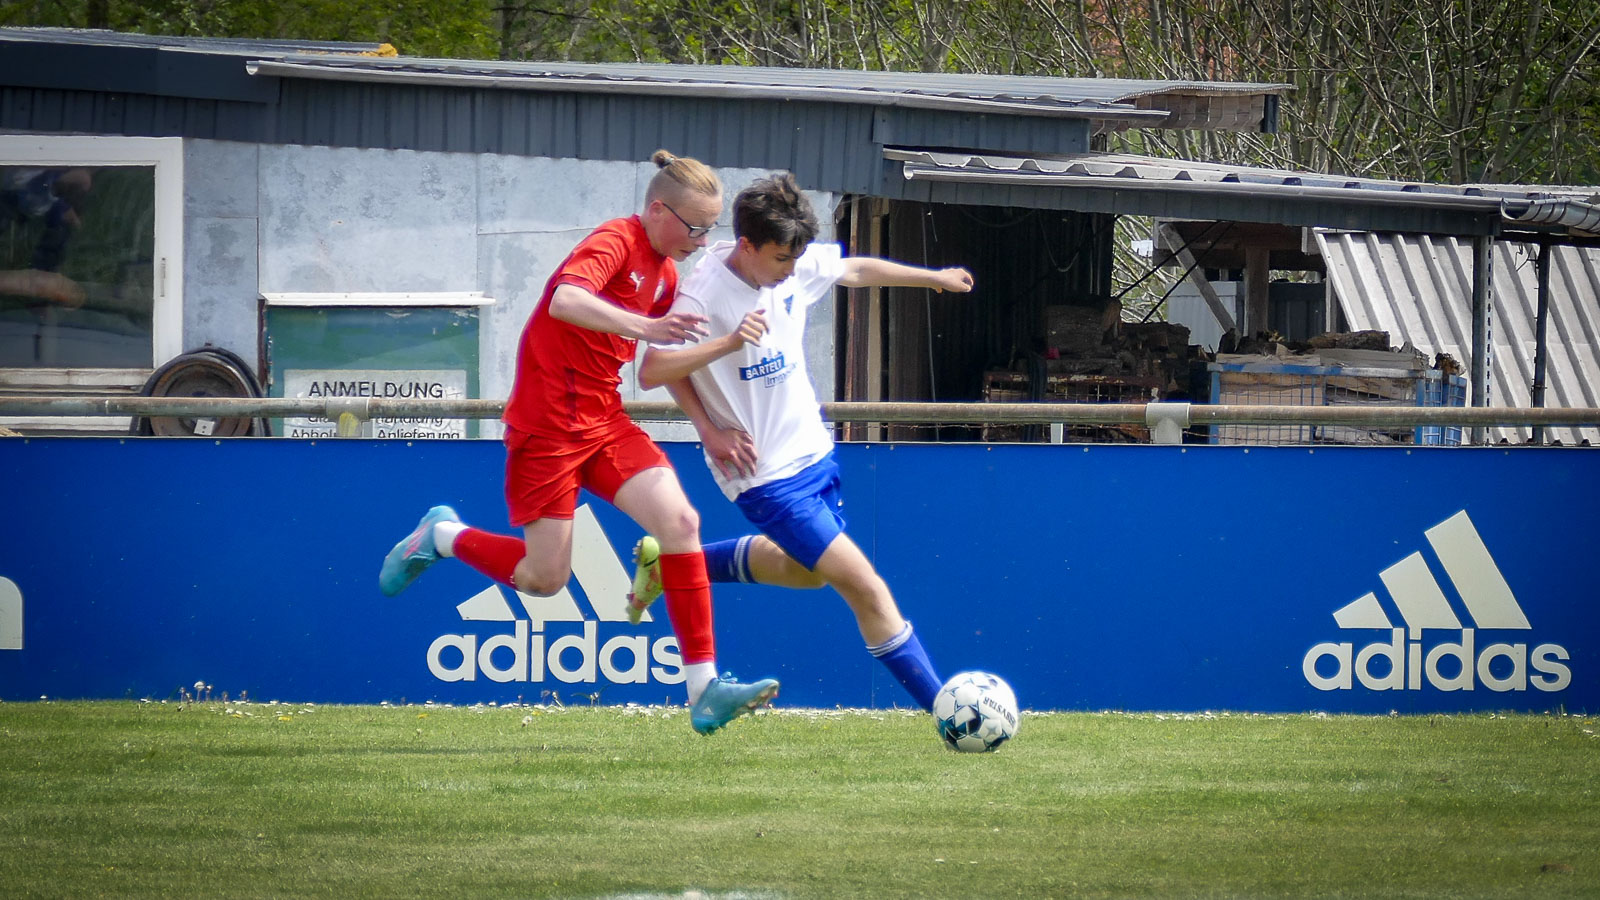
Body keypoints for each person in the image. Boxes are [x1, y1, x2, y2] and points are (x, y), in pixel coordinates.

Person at [379, 150, 779, 734]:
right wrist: (645, 326)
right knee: (546, 581)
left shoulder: (666, 275)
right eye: (694, 225)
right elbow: (565, 300)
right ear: (656, 210)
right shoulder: (615, 239)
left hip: (604, 422)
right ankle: (441, 536)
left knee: (681, 525)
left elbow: (661, 366)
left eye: (710, 228)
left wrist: (710, 428)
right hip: (546, 427)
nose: (700, 238)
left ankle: (704, 690)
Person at [631, 172, 974, 711]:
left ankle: (671, 564)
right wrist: (708, 425)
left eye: (796, 259)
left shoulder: (787, 263)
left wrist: (933, 277)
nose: (793, 272)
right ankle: (950, 713)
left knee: (806, 575)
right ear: (747, 246)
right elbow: (654, 369)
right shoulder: (702, 293)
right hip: (763, 475)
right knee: (865, 586)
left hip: (815, 454)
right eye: (781, 261)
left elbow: (855, 268)